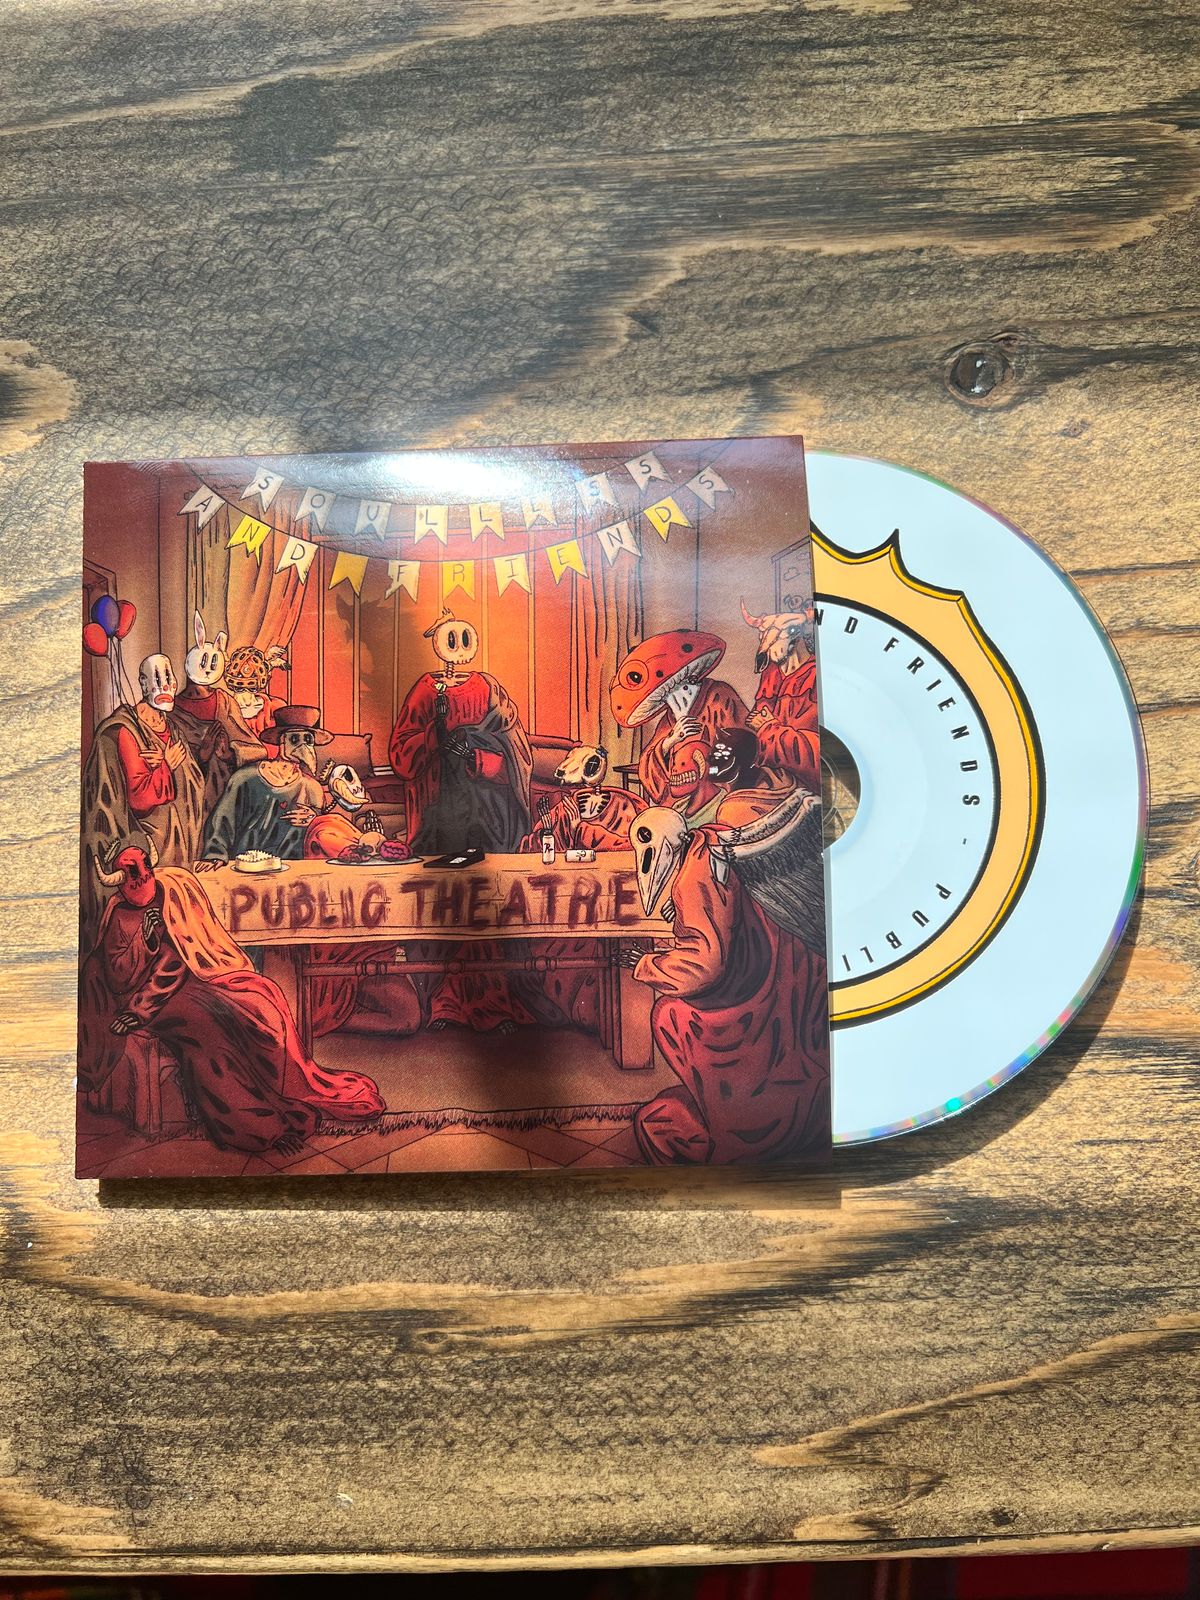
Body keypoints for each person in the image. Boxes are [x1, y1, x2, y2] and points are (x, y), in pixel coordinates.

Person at [79, 840, 383, 1155]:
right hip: (143, 1003)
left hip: (182, 981)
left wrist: (159, 948)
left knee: (257, 1002)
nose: (144, 883)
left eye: (146, 874)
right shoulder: (120, 916)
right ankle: (259, 1129)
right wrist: (145, 943)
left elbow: (181, 954)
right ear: (122, 884)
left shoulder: (172, 890)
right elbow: (119, 978)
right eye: (135, 880)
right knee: (211, 1037)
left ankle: (288, 1097)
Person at [626, 803, 829, 1165]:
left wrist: (647, 964)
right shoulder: (709, 845)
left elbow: (702, 965)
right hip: (781, 992)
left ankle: (738, 1124)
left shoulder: (695, 873)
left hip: (747, 1011)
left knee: (669, 1016)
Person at [389, 608, 532, 855]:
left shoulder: (488, 687)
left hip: (486, 805)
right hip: (440, 800)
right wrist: (434, 735)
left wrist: (476, 757)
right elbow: (402, 755)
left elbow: (513, 748)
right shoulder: (425, 690)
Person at [81, 653, 204, 931]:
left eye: (169, 678)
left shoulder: (171, 727)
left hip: (179, 844)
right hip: (150, 844)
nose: (165, 686)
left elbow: (193, 779)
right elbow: (139, 799)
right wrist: (166, 767)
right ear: (143, 683)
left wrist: (167, 765)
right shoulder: (125, 732)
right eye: (156, 679)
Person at [608, 630, 750, 806]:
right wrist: (672, 740)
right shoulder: (669, 719)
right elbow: (648, 764)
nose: (676, 699)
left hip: (720, 797)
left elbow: (745, 744)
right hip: (679, 802)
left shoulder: (719, 695)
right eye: (667, 696)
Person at [201, 705, 329, 863]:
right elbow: (223, 820)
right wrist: (215, 855)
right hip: (246, 864)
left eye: (308, 739)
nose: (302, 746)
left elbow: (321, 833)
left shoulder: (312, 788)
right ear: (282, 741)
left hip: (291, 867)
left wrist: (314, 819)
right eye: (295, 738)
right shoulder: (246, 777)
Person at [172, 612, 266, 814]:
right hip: (189, 803)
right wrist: (201, 757)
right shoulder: (172, 710)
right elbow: (170, 764)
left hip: (228, 797)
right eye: (204, 662)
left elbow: (256, 749)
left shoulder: (225, 701)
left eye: (213, 664)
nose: (207, 670)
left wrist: (231, 755)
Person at [741, 597, 821, 790]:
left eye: (776, 637)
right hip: (771, 780)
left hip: (807, 786)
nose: (766, 647)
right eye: (764, 636)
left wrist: (768, 727)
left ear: (795, 636)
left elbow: (819, 753)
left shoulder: (816, 677)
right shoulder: (771, 677)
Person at [520, 744, 642, 854]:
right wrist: (545, 834)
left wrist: (580, 829)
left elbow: (631, 847)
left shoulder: (622, 806)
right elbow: (529, 848)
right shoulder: (566, 807)